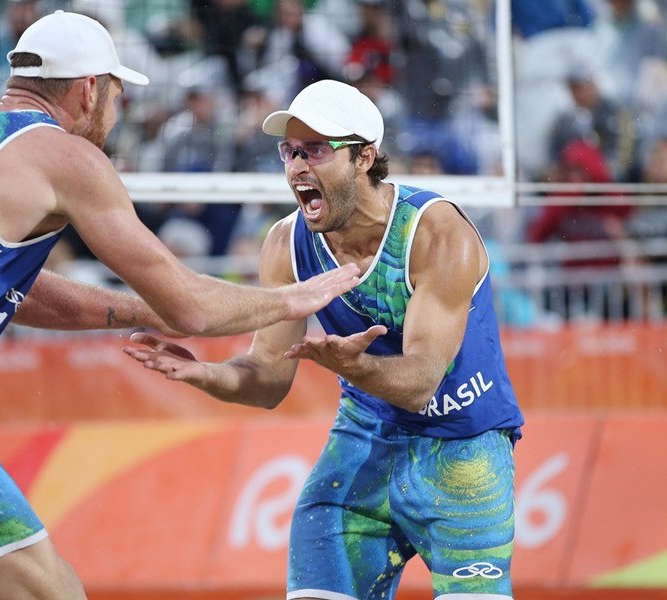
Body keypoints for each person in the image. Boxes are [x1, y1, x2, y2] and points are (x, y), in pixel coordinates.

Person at [0, 13, 362, 600]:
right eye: (118, 93)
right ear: (88, 90)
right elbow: (192, 311)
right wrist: (292, 297)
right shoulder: (63, 156)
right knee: (50, 592)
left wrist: (138, 310)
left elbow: (9, 288)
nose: (118, 111)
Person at [125, 79, 525, 600]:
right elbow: (267, 379)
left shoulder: (435, 232)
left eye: (314, 150)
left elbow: (422, 381)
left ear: (365, 157)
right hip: (365, 442)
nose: (295, 167)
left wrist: (355, 369)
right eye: (288, 151)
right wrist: (206, 373)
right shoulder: (284, 244)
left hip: (463, 448)